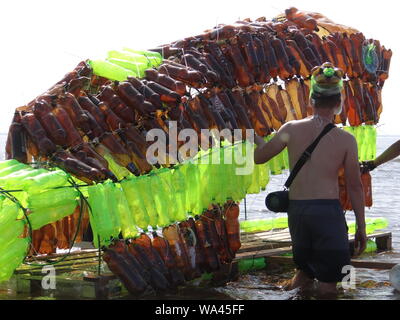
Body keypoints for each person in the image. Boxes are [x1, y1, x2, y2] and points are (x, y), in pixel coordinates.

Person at [253, 63, 367, 297]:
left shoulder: (290, 129)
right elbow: (355, 186)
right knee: (329, 283)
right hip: (326, 213)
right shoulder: (346, 140)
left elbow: (259, 158)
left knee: (304, 271)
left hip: (297, 212)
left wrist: (252, 136)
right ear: (338, 104)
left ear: (311, 101)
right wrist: (361, 227)